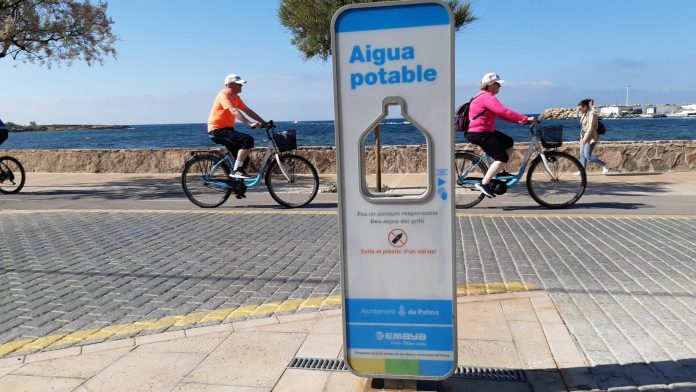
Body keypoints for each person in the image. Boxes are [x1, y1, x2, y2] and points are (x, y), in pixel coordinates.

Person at [465, 73, 537, 198]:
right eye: (498, 84)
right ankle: (484, 183)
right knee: (501, 157)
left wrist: (520, 120)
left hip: (484, 130)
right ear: (491, 84)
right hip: (479, 132)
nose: (500, 86)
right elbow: (503, 111)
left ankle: (499, 171)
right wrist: (526, 118)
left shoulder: (484, 96)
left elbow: (502, 115)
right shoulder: (486, 97)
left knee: (508, 142)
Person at [207, 74, 267, 179]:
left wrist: (264, 122)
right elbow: (234, 111)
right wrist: (249, 123)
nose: (241, 86)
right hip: (217, 130)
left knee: (245, 160)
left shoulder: (235, 97)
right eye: (239, 84)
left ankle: (236, 185)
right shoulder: (224, 94)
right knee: (247, 140)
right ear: (230, 85)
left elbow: (247, 110)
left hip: (227, 130)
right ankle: (236, 171)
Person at [577, 99, 609, 175]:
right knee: (582, 154)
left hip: (590, 137)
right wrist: (582, 138)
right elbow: (583, 126)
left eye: (580, 108)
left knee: (587, 156)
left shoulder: (592, 114)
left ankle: (604, 164)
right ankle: (582, 171)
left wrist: (584, 139)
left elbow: (590, 128)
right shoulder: (584, 113)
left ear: (585, 107)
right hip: (583, 136)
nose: (579, 110)